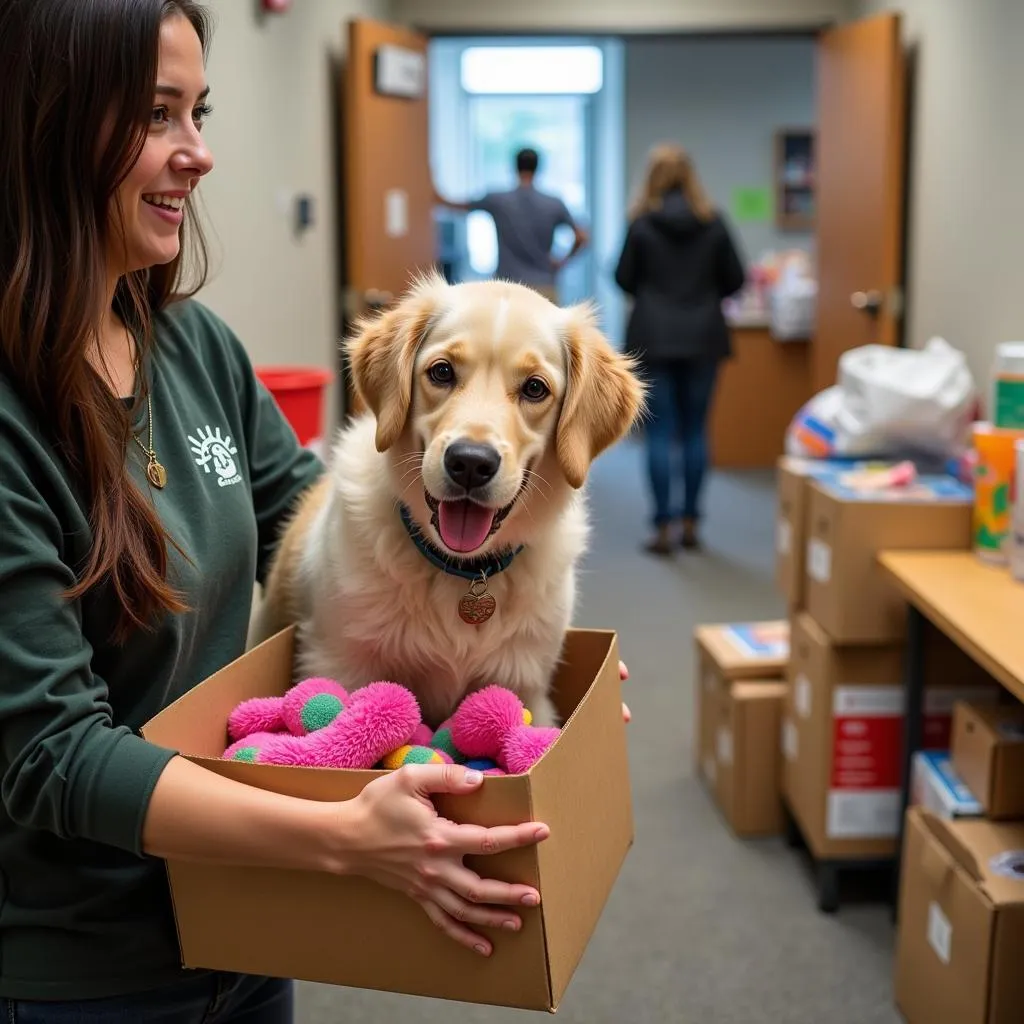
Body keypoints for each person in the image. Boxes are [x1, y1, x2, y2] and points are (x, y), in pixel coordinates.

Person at [0, 3, 634, 1020]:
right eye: (159, 115)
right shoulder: (12, 416)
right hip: (89, 965)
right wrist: (341, 834)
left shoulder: (191, 346)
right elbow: (48, 755)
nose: (200, 155)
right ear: (48, 121)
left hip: (251, 910)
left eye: (198, 111)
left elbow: (308, 515)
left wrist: (500, 631)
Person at [614, 144, 746, 555]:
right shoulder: (714, 222)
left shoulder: (641, 224)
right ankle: (691, 522)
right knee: (694, 430)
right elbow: (736, 278)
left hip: (653, 337)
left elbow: (623, 277)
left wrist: (656, 294)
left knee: (658, 432)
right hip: (703, 336)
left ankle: (662, 527)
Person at [433, 147, 589, 303]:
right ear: (537, 168)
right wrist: (562, 261)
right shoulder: (554, 203)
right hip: (544, 288)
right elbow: (582, 237)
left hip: (507, 287)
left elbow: (454, 205)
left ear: (515, 167)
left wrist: (432, 184)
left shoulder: (499, 200)